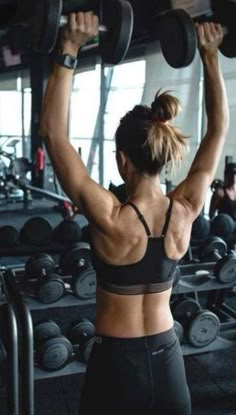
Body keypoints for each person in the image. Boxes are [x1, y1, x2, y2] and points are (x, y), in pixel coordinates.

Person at [39, 12, 228, 415]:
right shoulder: (186, 209)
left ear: (122, 160)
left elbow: (54, 137)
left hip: (116, 370)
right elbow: (218, 131)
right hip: (170, 362)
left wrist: (69, 48)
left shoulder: (112, 218)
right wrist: (210, 57)